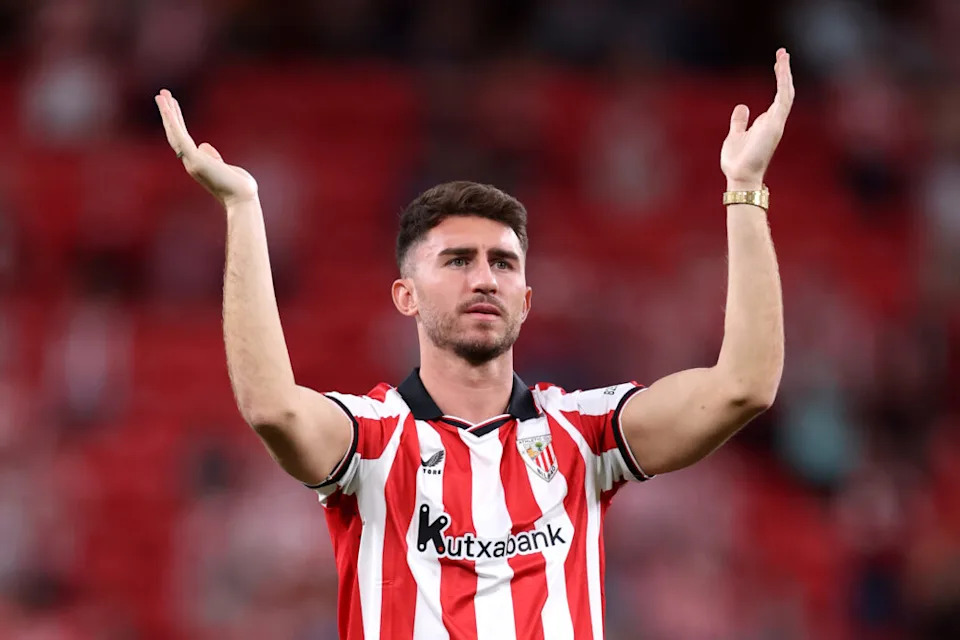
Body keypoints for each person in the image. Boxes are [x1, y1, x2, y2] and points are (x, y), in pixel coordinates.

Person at [155, 48, 794, 640]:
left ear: (526, 300)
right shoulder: (373, 440)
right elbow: (272, 407)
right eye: (458, 260)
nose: (485, 278)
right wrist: (243, 208)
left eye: (503, 263)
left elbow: (743, 388)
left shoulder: (584, 433)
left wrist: (744, 189)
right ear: (406, 296)